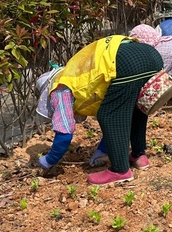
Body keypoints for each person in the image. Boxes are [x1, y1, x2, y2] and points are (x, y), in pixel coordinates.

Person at [35, 36, 164, 185]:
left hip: (127, 62)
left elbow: (64, 134)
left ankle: (120, 170)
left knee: (109, 116)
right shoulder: (74, 73)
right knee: (133, 107)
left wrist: (48, 160)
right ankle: (138, 155)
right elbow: (119, 116)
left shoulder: (59, 89)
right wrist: (103, 151)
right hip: (151, 55)